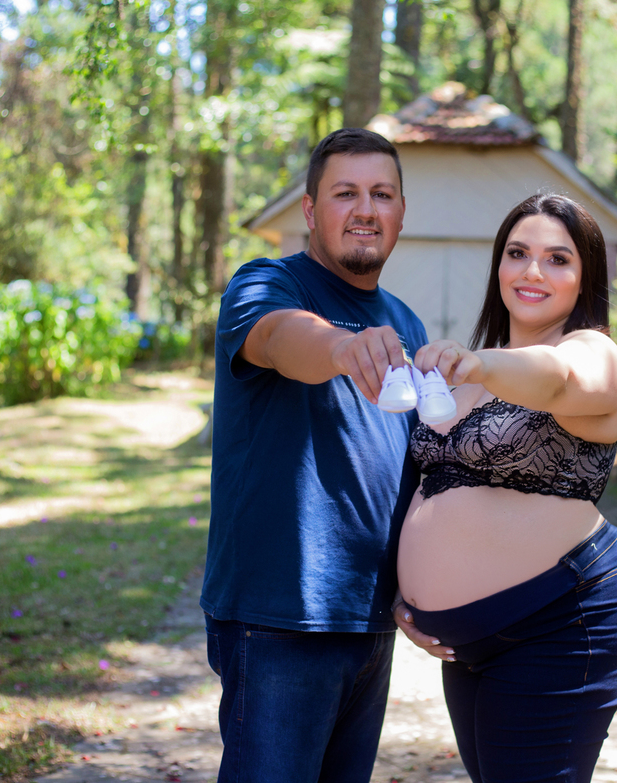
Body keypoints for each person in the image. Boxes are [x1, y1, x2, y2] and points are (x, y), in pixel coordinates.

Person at [392, 193, 617, 783]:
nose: (533, 271)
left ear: (585, 279)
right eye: (518, 253)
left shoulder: (592, 354)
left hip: (560, 621)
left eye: (558, 259)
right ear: (499, 266)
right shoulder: (466, 376)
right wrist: (404, 595)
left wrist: (477, 363)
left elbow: (557, 382)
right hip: (472, 642)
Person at [200, 128, 428, 783]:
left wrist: (421, 587)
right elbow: (276, 339)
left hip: (369, 621)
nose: (365, 209)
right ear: (309, 210)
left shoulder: (403, 322)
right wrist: (339, 349)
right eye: (344, 193)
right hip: (279, 620)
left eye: (381, 193)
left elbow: (407, 472)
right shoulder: (266, 284)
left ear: (401, 212)